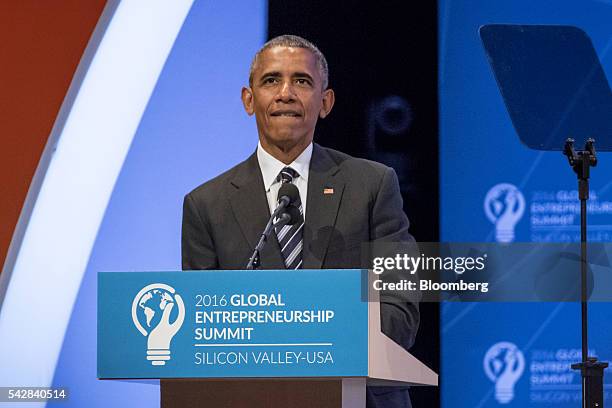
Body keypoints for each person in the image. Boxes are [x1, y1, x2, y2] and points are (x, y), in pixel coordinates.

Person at [179, 35, 419, 408]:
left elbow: (399, 310)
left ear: (325, 102)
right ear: (248, 99)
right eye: (271, 80)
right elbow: (202, 327)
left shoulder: (373, 185)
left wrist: (313, 342)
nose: (286, 93)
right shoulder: (206, 205)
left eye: (302, 81)